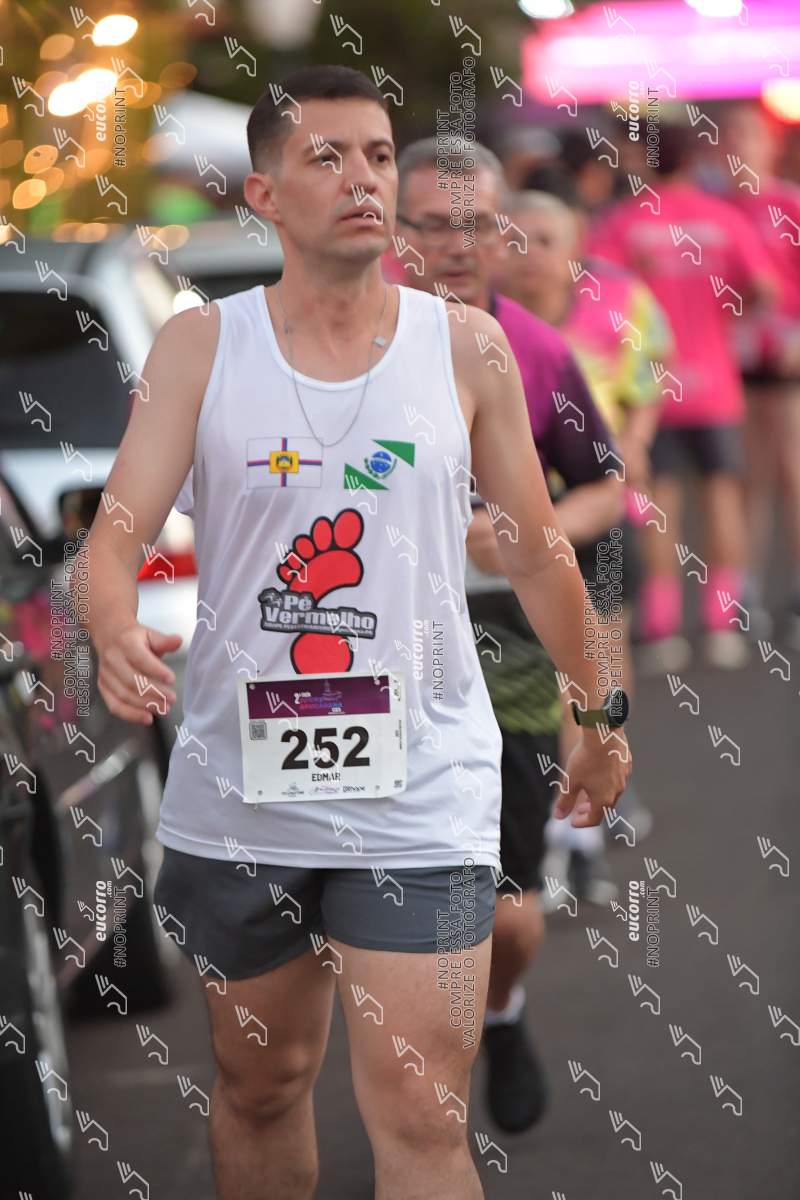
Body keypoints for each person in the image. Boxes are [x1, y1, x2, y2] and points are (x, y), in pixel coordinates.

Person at [74, 65, 630, 1200]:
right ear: (265, 194)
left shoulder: (466, 349)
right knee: (262, 1085)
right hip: (242, 783)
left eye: (377, 154)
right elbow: (114, 536)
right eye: (326, 158)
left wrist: (596, 708)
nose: (363, 179)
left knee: (423, 1115)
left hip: (424, 779)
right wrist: (113, 623)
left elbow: (536, 550)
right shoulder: (199, 347)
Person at [391, 139, 626, 1132]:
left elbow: (608, 487)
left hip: (505, 655)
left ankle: (503, 1010)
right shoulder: (343, 345)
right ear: (394, 231)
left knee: (509, 914)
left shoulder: (530, 350)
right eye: (434, 225)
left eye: (477, 224)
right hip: (366, 660)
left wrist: (530, 530)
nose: (458, 245)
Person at [494, 183, 674, 853]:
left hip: (594, 510)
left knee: (600, 651)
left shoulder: (620, 303)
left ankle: (604, 765)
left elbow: (649, 378)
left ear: (576, 252)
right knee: (536, 655)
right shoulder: (480, 327)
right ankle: (544, 788)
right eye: (515, 241)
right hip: (511, 519)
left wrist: (637, 439)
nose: (529, 255)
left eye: (546, 241)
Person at [589, 122, 780, 671]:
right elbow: (765, 290)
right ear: (691, 160)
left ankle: (662, 626)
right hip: (716, 387)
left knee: (660, 504)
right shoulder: (723, 219)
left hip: (652, 390)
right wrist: (725, 316)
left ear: (644, 160)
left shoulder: (624, 222)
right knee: (723, 498)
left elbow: (598, 293)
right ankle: (722, 624)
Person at [711, 103, 800, 647]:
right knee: (747, 477)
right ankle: (743, 591)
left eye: (749, 136)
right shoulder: (712, 212)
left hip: (786, 358)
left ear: (769, 145)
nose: (738, 147)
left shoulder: (789, 203)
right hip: (730, 362)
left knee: (791, 469)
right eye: (729, 137)